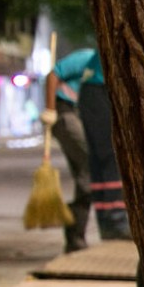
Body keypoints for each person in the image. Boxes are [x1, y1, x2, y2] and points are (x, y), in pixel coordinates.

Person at [72, 49, 131, 241]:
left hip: (92, 93)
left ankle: (107, 222)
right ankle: (115, 221)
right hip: (99, 91)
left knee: (100, 160)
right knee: (110, 157)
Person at [42, 46, 96, 252]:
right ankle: (74, 233)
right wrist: (50, 109)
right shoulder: (87, 57)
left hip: (81, 116)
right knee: (90, 168)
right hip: (66, 114)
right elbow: (53, 74)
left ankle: (75, 235)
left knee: (86, 175)